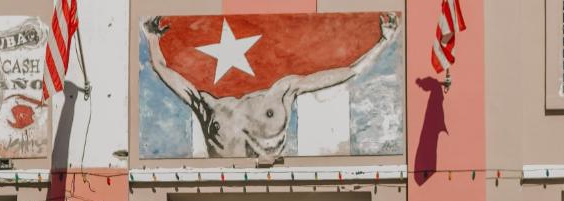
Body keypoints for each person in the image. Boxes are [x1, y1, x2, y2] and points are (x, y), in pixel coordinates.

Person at [142, 13, 399, 159]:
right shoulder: (207, 104)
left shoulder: (284, 90)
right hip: (223, 192)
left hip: (280, 190)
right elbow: (162, 69)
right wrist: (152, 39)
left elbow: (348, 73)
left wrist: (383, 43)